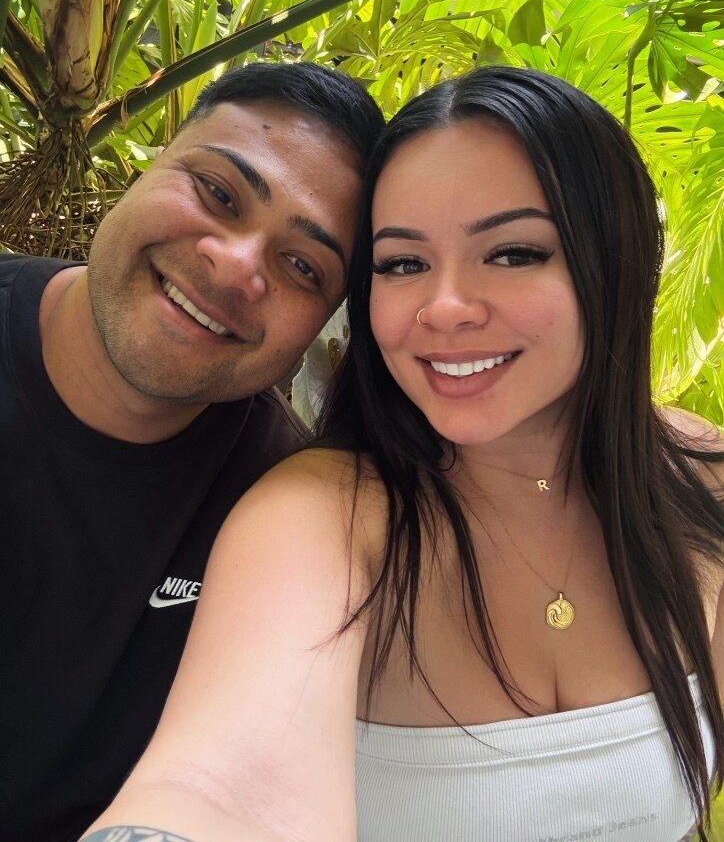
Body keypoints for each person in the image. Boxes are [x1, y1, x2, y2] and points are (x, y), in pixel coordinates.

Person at [81, 67, 723, 842]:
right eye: (403, 264)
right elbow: (221, 787)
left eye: (513, 252)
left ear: (614, 261)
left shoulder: (702, 480)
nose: (443, 307)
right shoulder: (324, 516)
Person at [0, 60, 385, 842]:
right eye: (218, 192)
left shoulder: (286, 512)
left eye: (302, 266)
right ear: (152, 159)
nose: (237, 265)